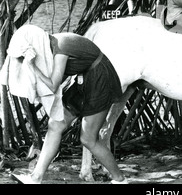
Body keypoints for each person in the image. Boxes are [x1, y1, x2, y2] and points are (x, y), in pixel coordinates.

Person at [5, 25, 126, 184]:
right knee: (56, 124)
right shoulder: (50, 45)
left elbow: (53, 85)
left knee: (88, 139)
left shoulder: (60, 48)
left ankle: (120, 180)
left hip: (100, 79)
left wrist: (32, 65)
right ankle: (35, 177)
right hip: (85, 78)